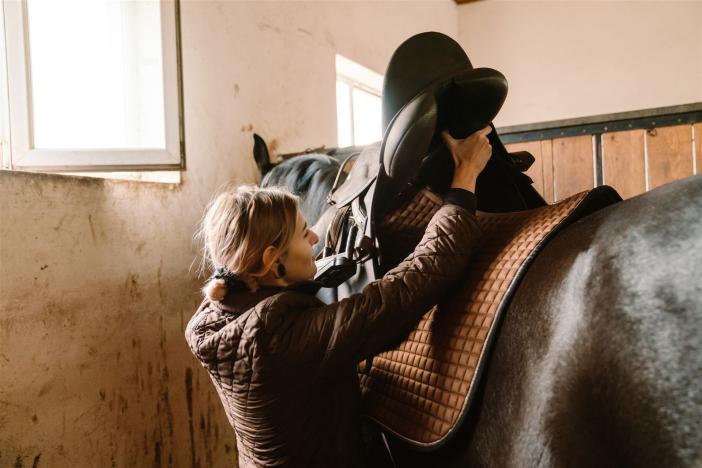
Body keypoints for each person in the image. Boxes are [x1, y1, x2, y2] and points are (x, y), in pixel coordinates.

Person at [185, 126, 493, 467]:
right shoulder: (282, 339)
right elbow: (414, 284)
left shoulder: (217, 308)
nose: (315, 240)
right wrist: (466, 177)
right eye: (304, 235)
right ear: (273, 263)